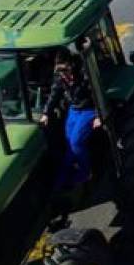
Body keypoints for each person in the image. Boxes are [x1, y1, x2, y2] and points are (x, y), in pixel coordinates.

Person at [39, 54, 101, 187]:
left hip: (88, 109)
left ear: (71, 65)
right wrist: (46, 113)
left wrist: (98, 115)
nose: (63, 74)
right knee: (68, 139)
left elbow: (96, 94)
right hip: (74, 109)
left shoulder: (85, 75)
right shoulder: (60, 78)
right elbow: (54, 95)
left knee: (76, 141)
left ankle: (86, 172)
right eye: (59, 71)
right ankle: (69, 167)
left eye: (65, 70)